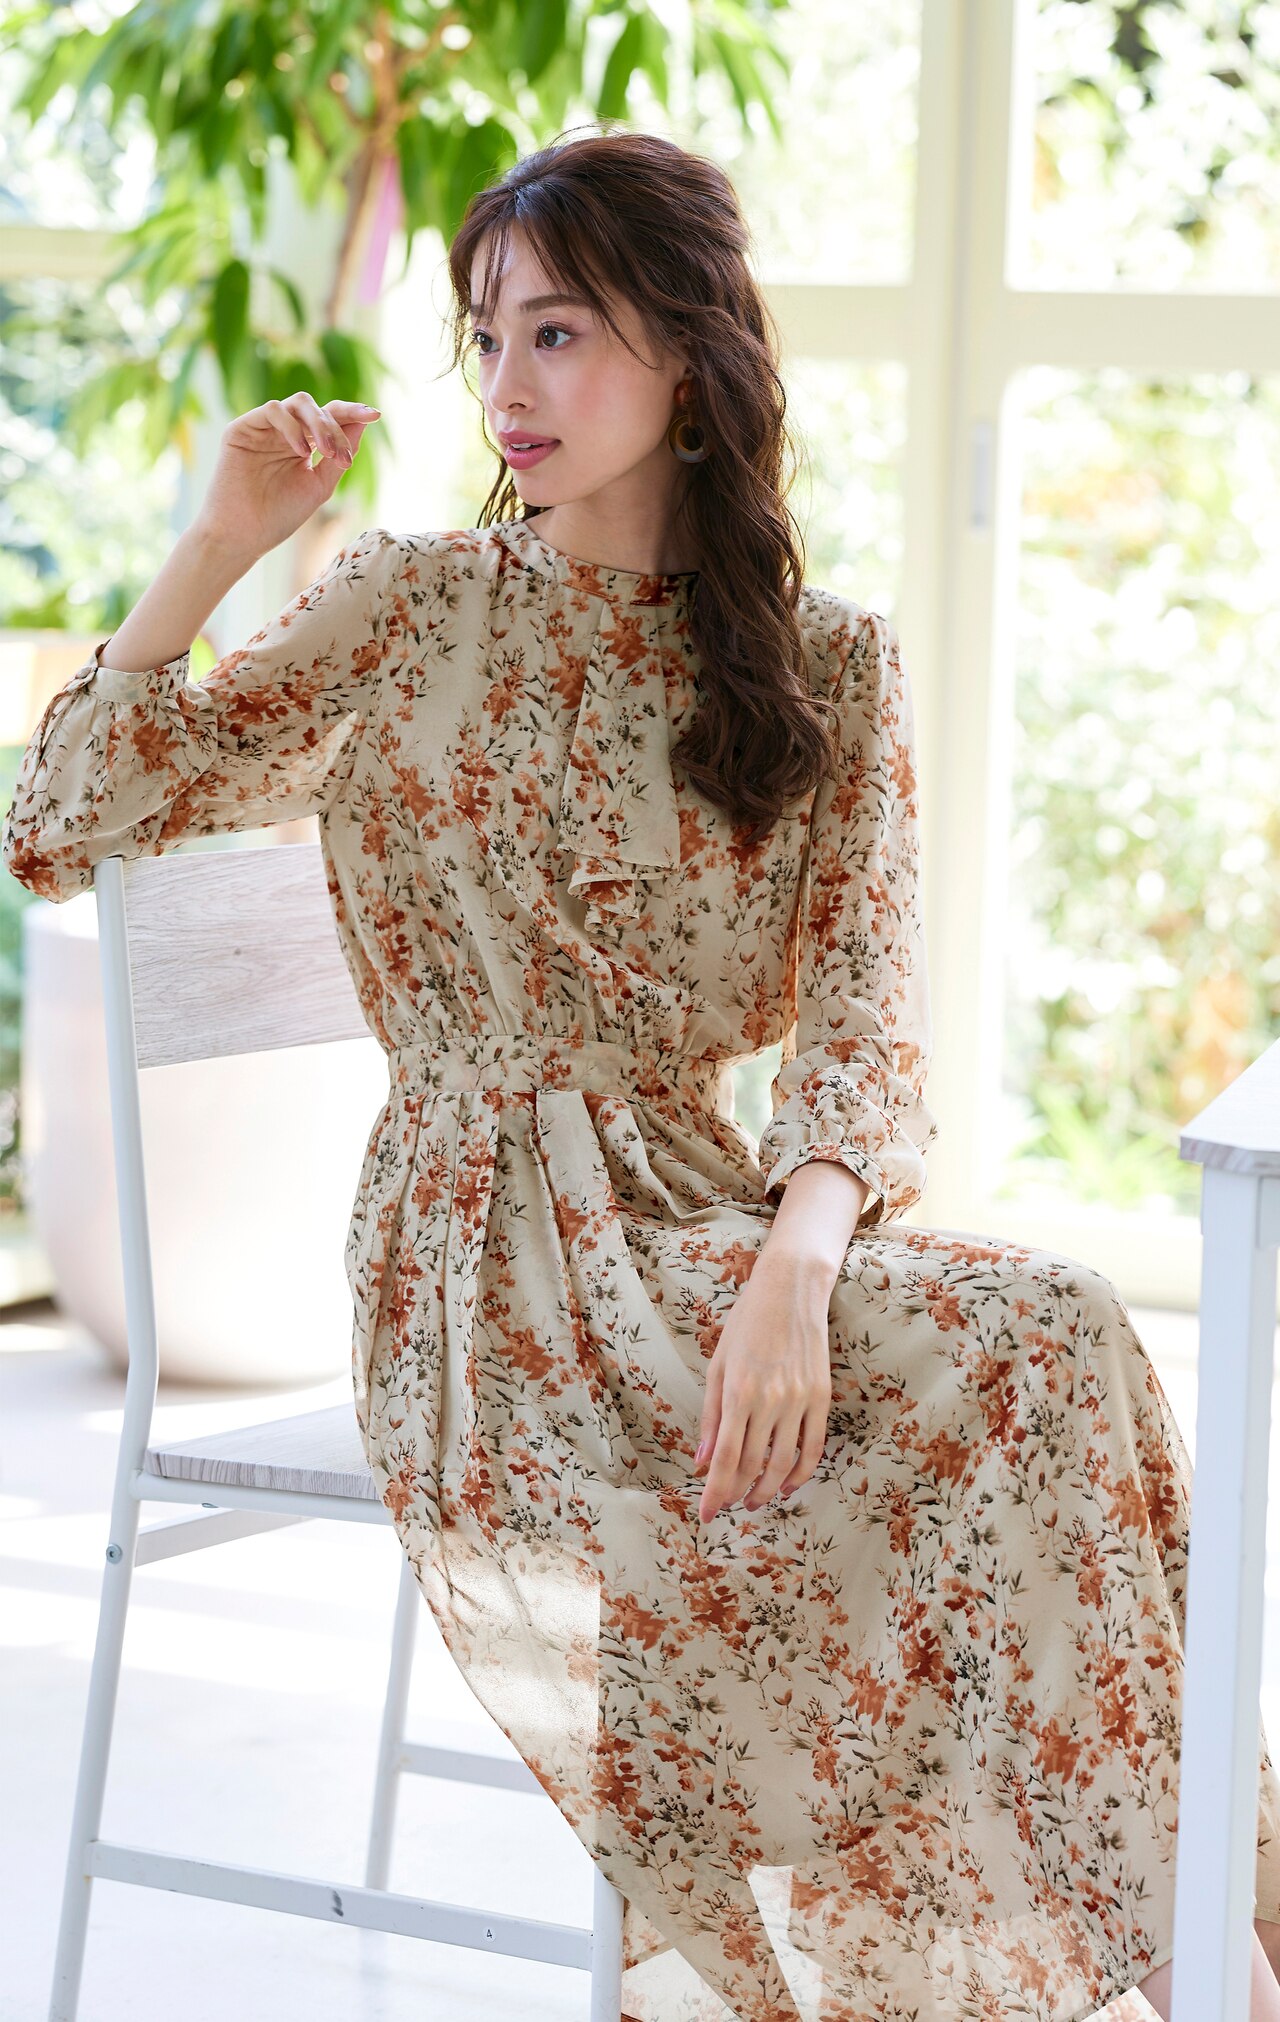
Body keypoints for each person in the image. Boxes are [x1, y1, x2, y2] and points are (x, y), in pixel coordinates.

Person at [6, 121, 1280, 2022]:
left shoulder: (826, 665)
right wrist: (218, 545)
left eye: (561, 332)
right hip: (475, 1268)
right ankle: (1203, 1960)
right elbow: (61, 820)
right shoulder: (415, 608)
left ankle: (1203, 1940)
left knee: (1059, 1333)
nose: (508, 386)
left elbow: (867, 1020)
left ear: (687, 355)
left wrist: (798, 1263)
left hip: (702, 1221)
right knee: (1025, 1364)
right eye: (488, 336)